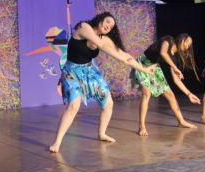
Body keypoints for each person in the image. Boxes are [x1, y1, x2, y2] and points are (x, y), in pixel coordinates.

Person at [49, 12, 154, 153]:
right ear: (100, 20)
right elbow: (101, 46)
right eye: (107, 22)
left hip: (89, 71)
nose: (108, 26)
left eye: (111, 26)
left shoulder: (104, 38)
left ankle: (101, 134)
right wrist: (118, 56)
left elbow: (125, 56)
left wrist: (144, 69)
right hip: (72, 71)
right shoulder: (84, 27)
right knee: (74, 105)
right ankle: (57, 142)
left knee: (108, 102)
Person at [133, 34, 201, 136]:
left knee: (170, 95)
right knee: (147, 94)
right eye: (187, 42)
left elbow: (176, 80)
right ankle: (142, 127)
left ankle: (181, 121)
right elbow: (163, 53)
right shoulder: (168, 40)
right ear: (182, 39)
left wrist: (189, 94)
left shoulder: (174, 58)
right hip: (142, 64)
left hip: (154, 68)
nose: (188, 46)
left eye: (189, 45)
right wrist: (174, 67)